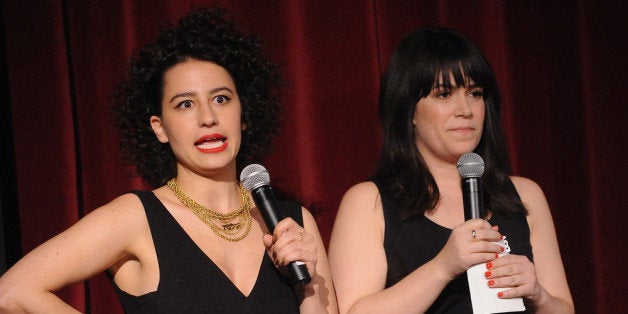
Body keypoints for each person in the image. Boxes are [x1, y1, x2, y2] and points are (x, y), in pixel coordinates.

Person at [0, 7, 337, 313]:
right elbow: (12, 292)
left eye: (221, 98)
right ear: (159, 128)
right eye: (185, 104)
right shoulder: (137, 218)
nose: (208, 117)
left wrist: (308, 290)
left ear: (244, 116)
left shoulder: (292, 223)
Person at [328, 27, 573, 313]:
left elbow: (563, 307)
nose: (465, 109)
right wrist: (443, 267)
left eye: (475, 93)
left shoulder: (524, 193)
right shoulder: (368, 201)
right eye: (444, 94)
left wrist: (537, 294)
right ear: (409, 111)